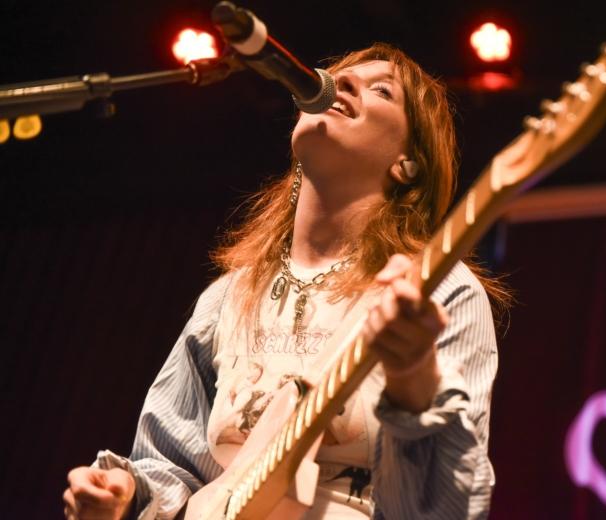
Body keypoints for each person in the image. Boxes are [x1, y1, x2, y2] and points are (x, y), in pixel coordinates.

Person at [63, 43, 505, 520]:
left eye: (381, 90)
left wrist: (415, 377)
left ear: (407, 163)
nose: (342, 82)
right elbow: (174, 464)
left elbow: (449, 507)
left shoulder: (434, 292)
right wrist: (126, 494)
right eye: (339, 76)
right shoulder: (230, 296)